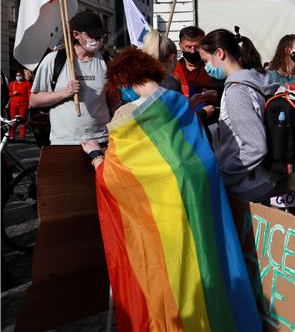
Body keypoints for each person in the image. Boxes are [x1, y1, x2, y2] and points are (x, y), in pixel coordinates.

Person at [79, 48, 261, 330]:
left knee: (175, 284)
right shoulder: (180, 104)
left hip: (162, 224)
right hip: (199, 206)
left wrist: (95, 156)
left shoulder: (127, 120)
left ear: (125, 83)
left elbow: (115, 180)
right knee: (210, 269)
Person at [200, 28, 281, 202]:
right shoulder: (252, 83)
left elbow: (255, 147)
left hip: (245, 187)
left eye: (206, 60)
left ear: (219, 53)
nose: (206, 67)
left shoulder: (237, 92)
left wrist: (223, 176)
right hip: (258, 181)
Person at [29, 10, 111, 145]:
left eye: (100, 36)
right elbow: (33, 101)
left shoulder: (107, 61)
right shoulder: (54, 60)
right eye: (93, 36)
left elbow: (112, 100)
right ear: (76, 35)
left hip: (101, 139)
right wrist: (65, 93)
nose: (97, 41)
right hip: (65, 141)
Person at [7, 71, 31, 139]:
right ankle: (12, 135)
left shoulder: (27, 83)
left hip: (23, 105)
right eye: (17, 75)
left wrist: (30, 104)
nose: (18, 76)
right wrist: (13, 93)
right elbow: (8, 94)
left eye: (19, 75)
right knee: (12, 120)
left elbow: (29, 94)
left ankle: (22, 136)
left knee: (22, 121)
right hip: (13, 105)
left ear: (23, 76)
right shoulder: (12, 83)